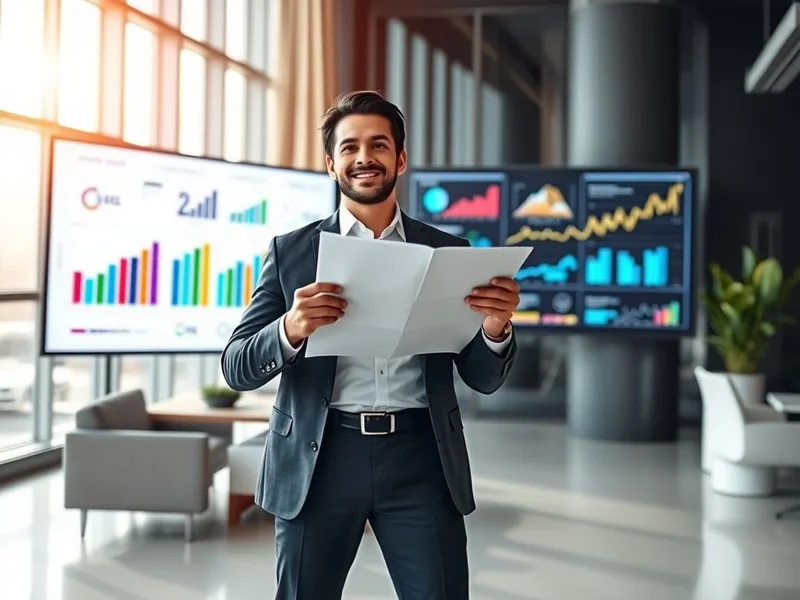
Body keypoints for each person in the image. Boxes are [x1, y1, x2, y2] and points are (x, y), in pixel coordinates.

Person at [221, 90, 520, 600]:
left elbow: (483, 379)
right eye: (350, 147)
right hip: (319, 458)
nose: (364, 158)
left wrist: (495, 329)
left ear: (400, 159)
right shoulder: (292, 253)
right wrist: (290, 328)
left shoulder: (449, 252)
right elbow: (236, 366)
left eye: (378, 145)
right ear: (332, 164)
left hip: (421, 457)